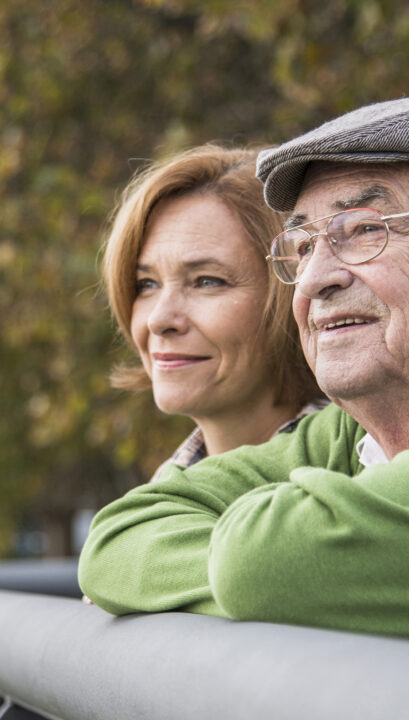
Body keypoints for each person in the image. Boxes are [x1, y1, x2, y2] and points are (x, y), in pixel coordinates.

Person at [79, 92, 409, 645]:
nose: (317, 277)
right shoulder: (350, 433)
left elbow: (265, 564)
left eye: (368, 228)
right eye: (301, 245)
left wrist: (250, 574)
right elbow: (118, 539)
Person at [102, 145, 323, 477]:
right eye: (146, 284)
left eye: (207, 281)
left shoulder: (371, 472)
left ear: (293, 288)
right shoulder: (157, 505)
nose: (160, 320)